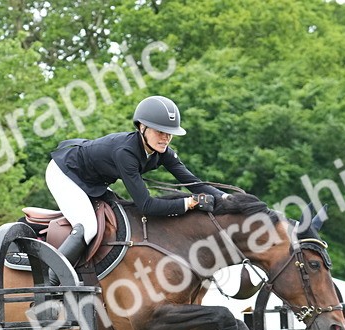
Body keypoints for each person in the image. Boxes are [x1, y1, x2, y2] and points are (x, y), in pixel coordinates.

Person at [45, 95, 225, 266]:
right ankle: (53, 279)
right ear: (141, 127)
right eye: (160, 132)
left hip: (93, 182)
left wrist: (226, 199)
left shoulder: (163, 152)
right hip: (65, 173)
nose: (166, 138)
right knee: (88, 227)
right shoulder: (126, 153)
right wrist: (190, 203)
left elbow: (192, 182)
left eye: (169, 133)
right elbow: (146, 205)